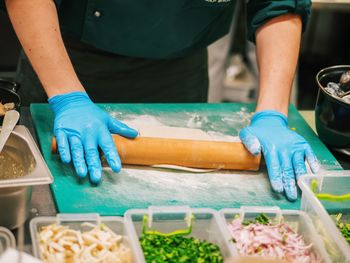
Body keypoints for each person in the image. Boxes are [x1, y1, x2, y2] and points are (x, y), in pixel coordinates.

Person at [2, 0, 319, 201]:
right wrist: (68, 97)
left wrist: (273, 113)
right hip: (62, 58)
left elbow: (277, 4)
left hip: (178, 69)